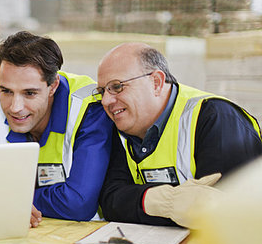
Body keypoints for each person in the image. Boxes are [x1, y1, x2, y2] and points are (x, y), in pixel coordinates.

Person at [96, 42, 262, 228]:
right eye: (102, 91)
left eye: (117, 87)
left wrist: (139, 202)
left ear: (156, 82)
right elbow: (110, 201)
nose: (106, 101)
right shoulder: (120, 127)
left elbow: (220, 211)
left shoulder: (215, 118)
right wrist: (166, 203)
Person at [0, 31, 113, 226]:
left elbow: (78, 203)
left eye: (29, 93)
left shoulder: (89, 109)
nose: (15, 107)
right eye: (6, 90)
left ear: (53, 86)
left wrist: (11, 200)